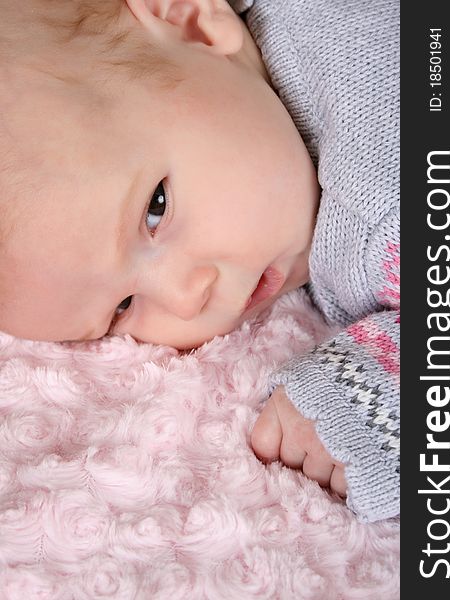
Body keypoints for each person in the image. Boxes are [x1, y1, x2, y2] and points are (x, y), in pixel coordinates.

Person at [0, 0, 399, 522]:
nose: (188, 297)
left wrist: (376, 395)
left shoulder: (384, 201)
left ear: (189, 19)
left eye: (155, 210)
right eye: (122, 308)